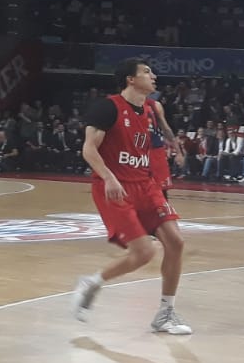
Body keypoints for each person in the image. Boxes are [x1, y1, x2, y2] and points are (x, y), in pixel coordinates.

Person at [72, 58, 192, 335]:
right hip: (115, 187)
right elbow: (88, 149)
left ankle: (165, 314)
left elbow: (159, 136)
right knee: (144, 253)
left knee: (176, 242)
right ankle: (92, 282)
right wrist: (108, 177)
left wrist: (175, 148)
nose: (154, 76)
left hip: (145, 183)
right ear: (130, 79)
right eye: (147, 72)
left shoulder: (150, 109)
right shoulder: (107, 107)